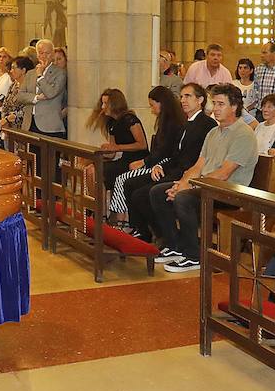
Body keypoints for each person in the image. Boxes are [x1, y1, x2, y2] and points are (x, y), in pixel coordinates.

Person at [150, 84, 258, 273]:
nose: (215, 108)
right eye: (214, 104)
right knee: (158, 191)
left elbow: (224, 173)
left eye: (220, 104)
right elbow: (198, 166)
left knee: (184, 199)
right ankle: (176, 246)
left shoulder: (243, 134)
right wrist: (182, 183)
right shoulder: (213, 132)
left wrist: (188, 187)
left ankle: (194, 255)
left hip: (230, 192)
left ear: (234, 107)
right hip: (206, 186)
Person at [126, 83, 214, 242]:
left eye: (188, 96)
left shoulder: (207, 125)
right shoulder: (186, 123)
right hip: (174, 169)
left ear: (200, 100)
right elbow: (175, 155)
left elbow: (199, 159)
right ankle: (153, 233)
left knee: (145, 194)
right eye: (181, 97)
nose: (183, 100)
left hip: (187, 174)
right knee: (132, 184)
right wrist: (160, 166)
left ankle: (169, 238)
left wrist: (183, 178)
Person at [108, 85, 185, 227]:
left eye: (152, 105)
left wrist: (144, 162)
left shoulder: (172, 123)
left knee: (123, 179)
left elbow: (164, 151)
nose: (151, 109)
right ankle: (125, 222)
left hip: (164, 164)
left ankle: (125, 223)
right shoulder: (164, 121)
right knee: (124, 179)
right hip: (157, 162)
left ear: (161, 103)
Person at [87, 88, 148, 187]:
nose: (103, 107)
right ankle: (97, 201)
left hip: (137, 160)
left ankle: (100, 201)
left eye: (106, 103)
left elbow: (142, 145)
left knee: (95, 170)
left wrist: (118, 147)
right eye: (102, 103)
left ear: (115, 104)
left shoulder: (130, 119)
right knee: (89, 168)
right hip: (123, 160)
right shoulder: (111, 123)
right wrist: (103, 151)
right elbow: (112, 153)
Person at [31, 38, 68, 138]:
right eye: (40, 53)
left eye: (46, 53)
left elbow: (50, 93)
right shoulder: (31, 73)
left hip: (51, 123)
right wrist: (36, 98)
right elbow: (21, 94)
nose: (43, 56)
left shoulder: (60, 73)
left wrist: (40, 76)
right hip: (32, 121)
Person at [0, 56, 36, 131]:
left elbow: (28, 108)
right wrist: (4, 118)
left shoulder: (30, 87)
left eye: (14, 68)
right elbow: (5, 105)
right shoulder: (13, 85)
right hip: (9, 126)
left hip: (24, 126)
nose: (11, 71)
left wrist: (10, 118)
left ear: (23, 70)